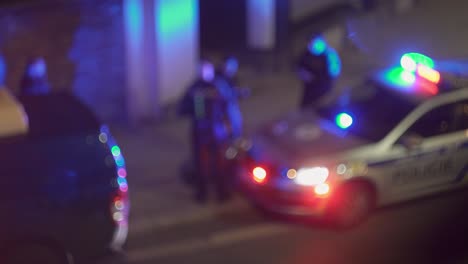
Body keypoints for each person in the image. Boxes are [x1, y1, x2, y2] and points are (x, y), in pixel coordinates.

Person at [178, 60, 231, 203]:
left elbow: (228, 105)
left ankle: (222, 192)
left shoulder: (219, 86)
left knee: (220, 163)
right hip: (201, 132)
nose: (205, 73)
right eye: (202, 70)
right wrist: (193, 104)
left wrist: (228, 126)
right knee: (202, 165)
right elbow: (182, 109)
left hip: (217, 131)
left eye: (207, 70)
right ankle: (203, 193)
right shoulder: (194, 88)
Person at [296, 34, 341, 109]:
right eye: (312, 43)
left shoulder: (330, 55)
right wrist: (304, 74)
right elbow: (299, 66)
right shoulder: (306, 54)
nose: (315, 45)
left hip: (324, 85)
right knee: (306, 104)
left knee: (322, 104)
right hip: (309, 86)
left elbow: (334, 71)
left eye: (317, 42)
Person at [214, 56, 249, 140]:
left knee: (236, 125)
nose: (233, 70)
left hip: (230, 106)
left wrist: (240, 92)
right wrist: (239, 93)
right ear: (224, 65)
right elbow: (225, 93)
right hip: (220, 109)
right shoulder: (217, 78)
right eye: (230, 66)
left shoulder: (229, 78)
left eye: (234, 67)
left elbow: (232, 90)